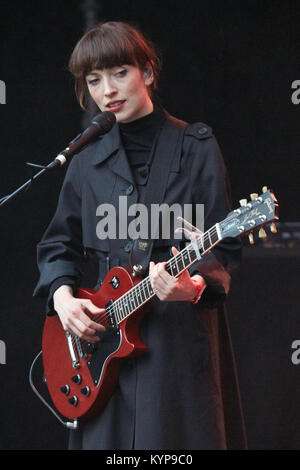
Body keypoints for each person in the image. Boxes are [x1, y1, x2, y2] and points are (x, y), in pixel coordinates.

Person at [33, 21, 247, 450]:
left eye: (119, 73)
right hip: (101, 348)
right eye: (94, 80)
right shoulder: (85, 158)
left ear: (147, 73)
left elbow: (224, 246)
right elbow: (59, 244)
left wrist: (194, 286)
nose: (107, 89)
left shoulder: (196, 146)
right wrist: (63, 299)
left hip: (178, 345)